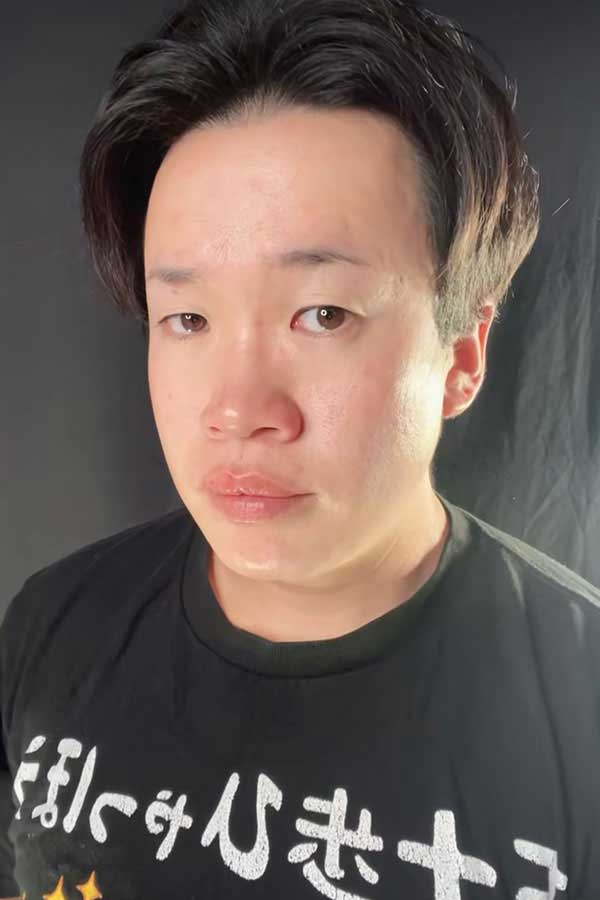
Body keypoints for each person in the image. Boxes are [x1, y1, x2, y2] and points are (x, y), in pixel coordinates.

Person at [2, 0, 599, 897]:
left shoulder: (581, 707)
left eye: (323, 314)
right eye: (188, 318)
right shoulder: (52, 627)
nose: (240, 410)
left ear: (462, 357)